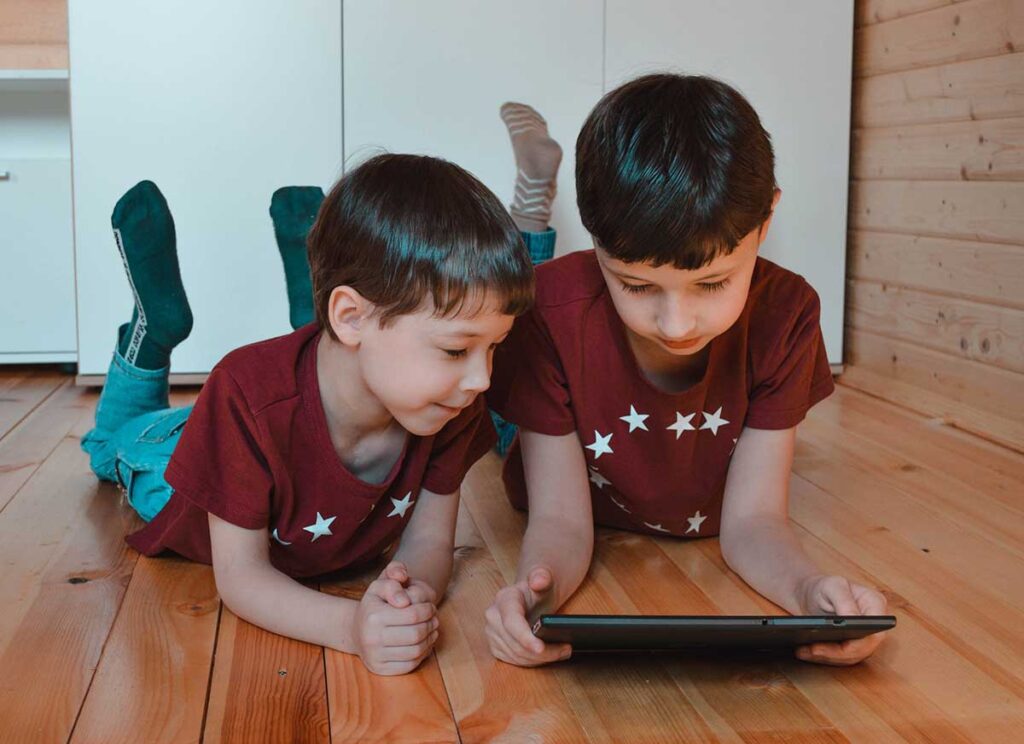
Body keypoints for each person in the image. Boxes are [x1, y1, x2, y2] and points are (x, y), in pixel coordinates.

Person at [484, 74, 889, 668]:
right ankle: (531, 198)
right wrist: (534, 594)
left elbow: (754, 520)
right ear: (595, 243)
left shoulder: (787, 314)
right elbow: (561, 520)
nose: (676, 325)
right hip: (538, 393)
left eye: (713, 283)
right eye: (636, 285)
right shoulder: (552, 313)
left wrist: (808, 591)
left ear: (766, 223)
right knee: (499, 307)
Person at [81, 153, 534, 675]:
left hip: (307, 394)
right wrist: (352, 627)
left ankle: (308, 308)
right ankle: (151, 335)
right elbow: (242, 578)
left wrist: (407, 598)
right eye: (456, 350)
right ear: (352, 317)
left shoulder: (451, 399)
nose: (482, 379)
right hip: (182, 462)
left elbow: (429, 541)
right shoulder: (244, 395)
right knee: (111, 443)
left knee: (317, 376)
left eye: (494, 347)